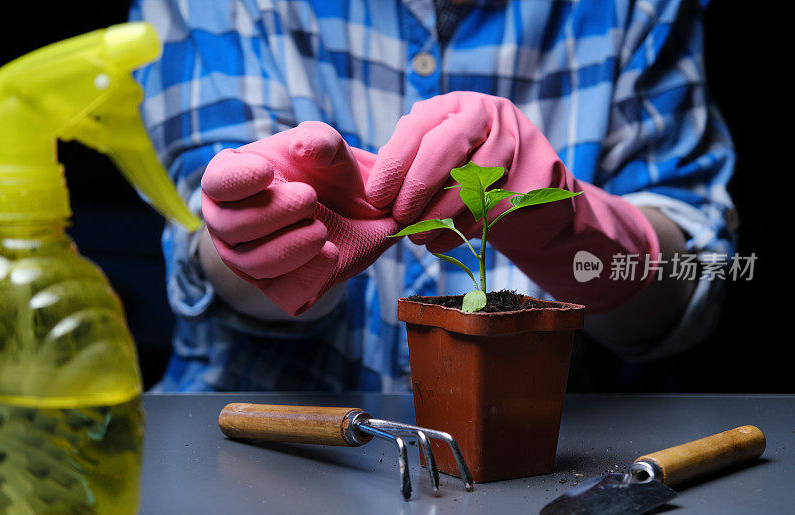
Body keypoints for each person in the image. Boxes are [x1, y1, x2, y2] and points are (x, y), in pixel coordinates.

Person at [129, 0, 735, 392]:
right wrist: (265, 237)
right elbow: (203, 240)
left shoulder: (640, 9)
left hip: (554, 460)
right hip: (264, 450)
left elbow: (698, 281)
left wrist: (570, 227)